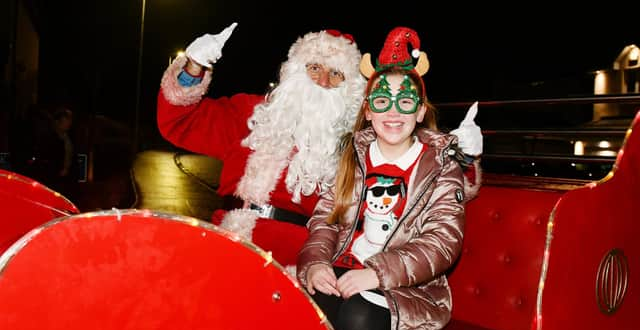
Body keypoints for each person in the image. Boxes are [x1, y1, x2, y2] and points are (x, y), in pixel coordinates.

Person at [157, 23, 481, 270]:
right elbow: (180, 121)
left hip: (295, 255)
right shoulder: (252, 113)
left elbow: (417, 177)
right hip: (226, 241)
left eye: (336, 75)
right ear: (295, 72)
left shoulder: (356, 145)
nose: (323, 82)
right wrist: (193, 66)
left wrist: (464, 157)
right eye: (314, 69)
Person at [296, 27, 467, 330]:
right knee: (306, 304)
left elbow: (443, 242)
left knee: (357, 314)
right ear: (368, 109)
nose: (393, 112)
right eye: (382, 101)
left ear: (420, 111)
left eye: (405, 102)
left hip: (407, 287)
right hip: (343, 267)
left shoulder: (441, 167)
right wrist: (315, 263)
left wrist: (376, 273)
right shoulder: (352, 157)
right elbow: (325, 220)